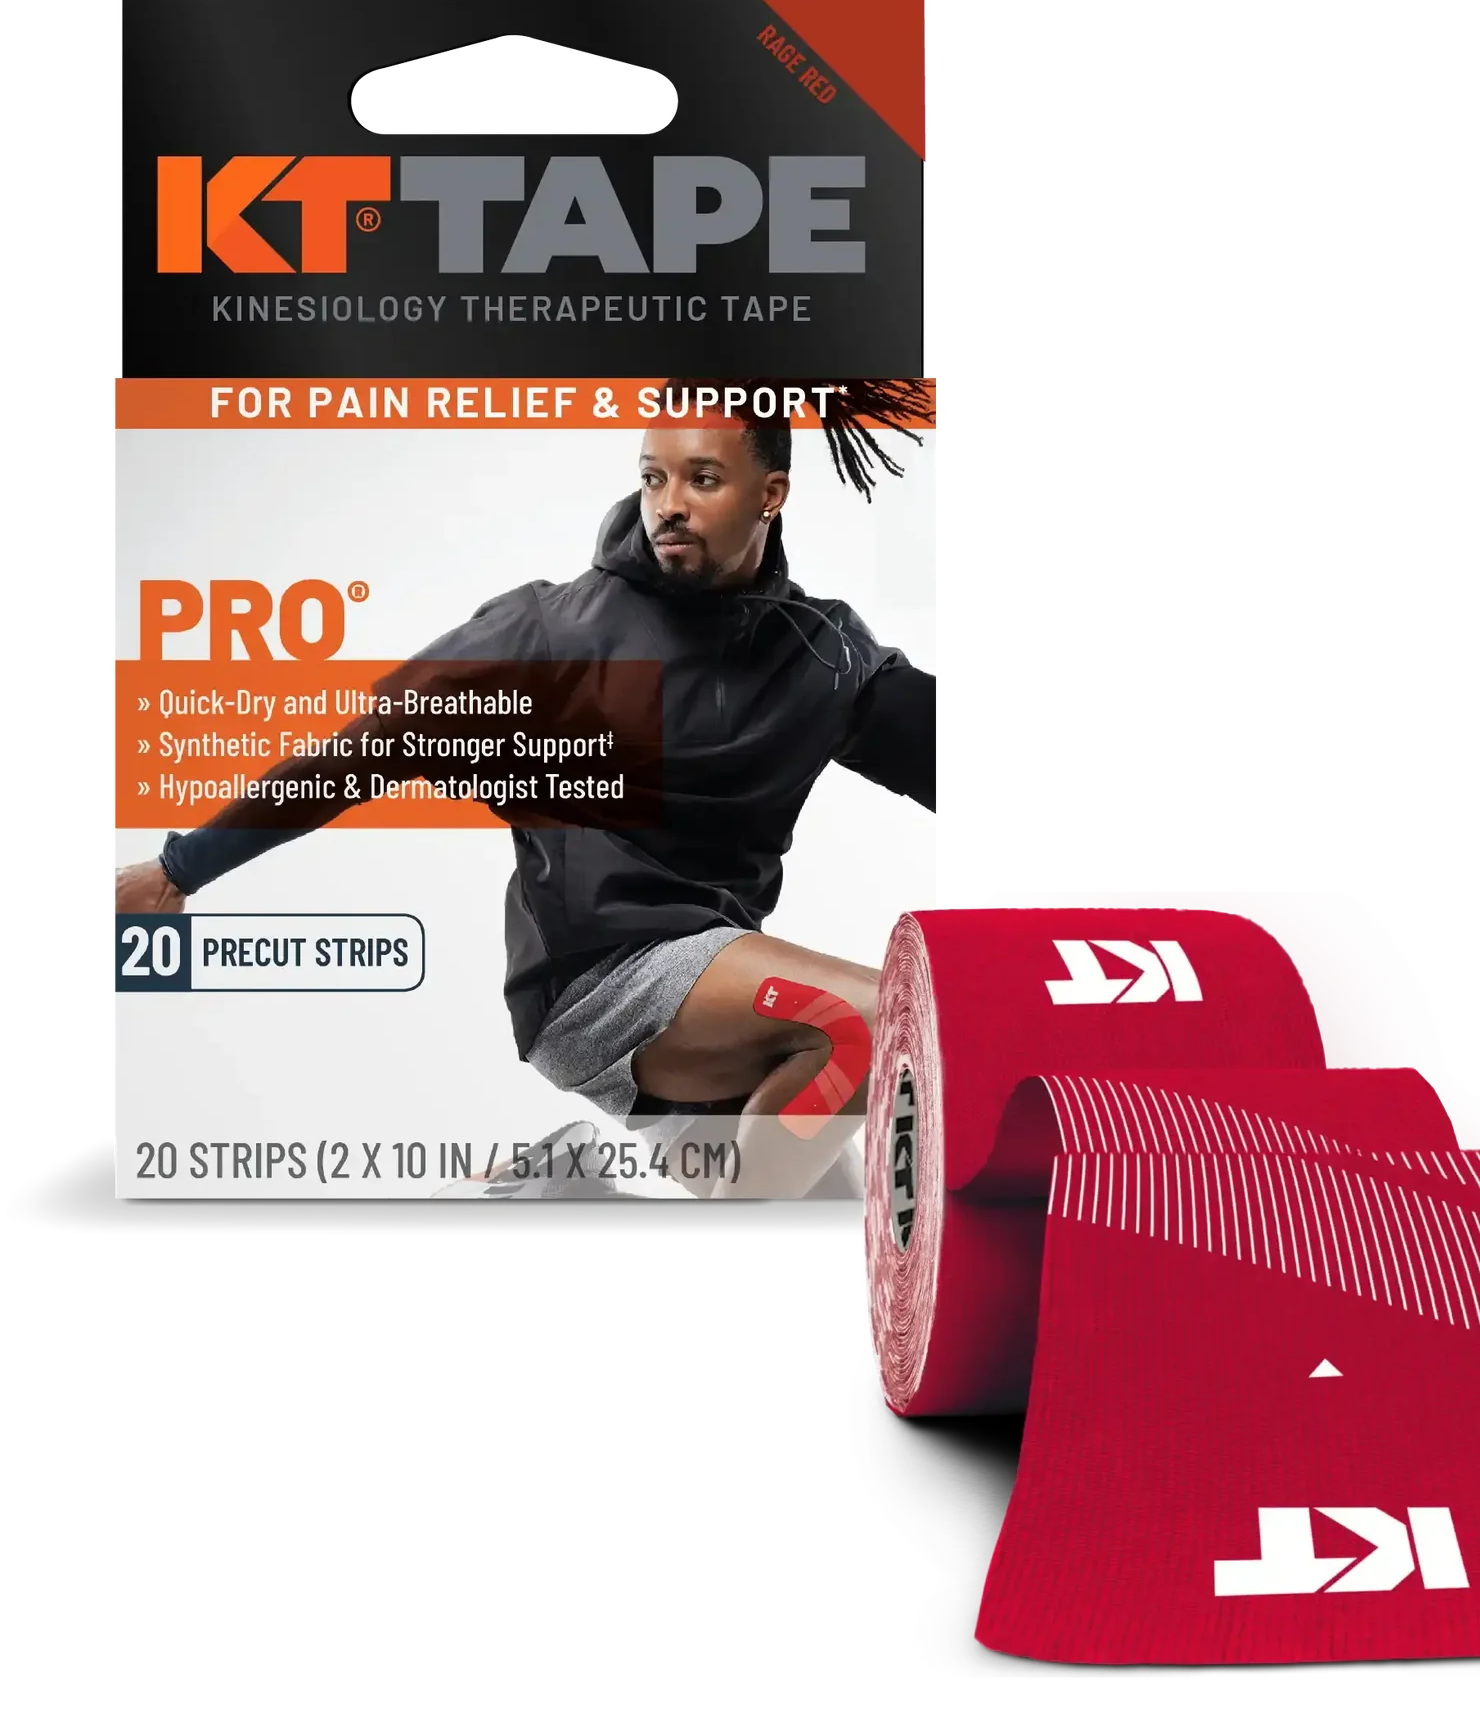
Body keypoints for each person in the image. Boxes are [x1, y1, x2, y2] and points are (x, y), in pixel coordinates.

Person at [112, 379, 943, 1201]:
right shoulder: (556, 630)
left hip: (714, 999)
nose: (669, 506)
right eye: (653, 477)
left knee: (840, 1209)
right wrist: (183, 867)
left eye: (703, 479)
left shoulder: (825, 657)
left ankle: (551, 1199)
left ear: (771, 494)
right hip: (598, 972)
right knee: (869, 1019)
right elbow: (362, 753)